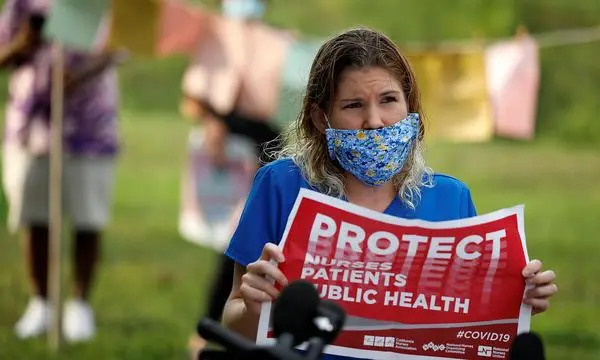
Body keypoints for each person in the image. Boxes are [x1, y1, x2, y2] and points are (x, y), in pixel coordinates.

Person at [220, 28, 559, 359]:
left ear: (409, 105)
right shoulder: (280, 185)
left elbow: (465, 333)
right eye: (354, 105)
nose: (375, 121)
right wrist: (254, 307)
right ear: (321, 118)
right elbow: (234, 326)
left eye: (388, 100)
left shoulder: (450, 198)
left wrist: (515, 300)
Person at [0, 0, 125, 342]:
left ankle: (79, 305)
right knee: (35, 217)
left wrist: (79, 74)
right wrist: (24, 42)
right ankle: (40, 302)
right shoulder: (22, 4)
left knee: (88, 219)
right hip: (32, 129)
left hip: (91, 128)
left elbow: (121, 47)